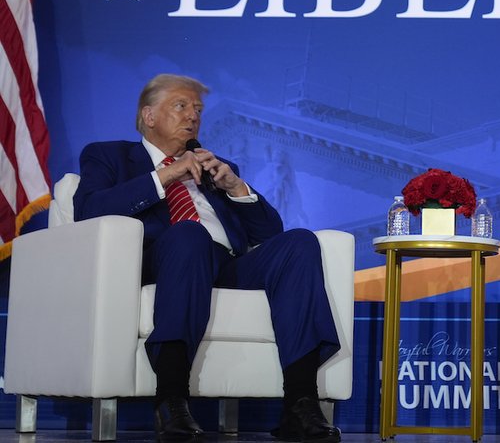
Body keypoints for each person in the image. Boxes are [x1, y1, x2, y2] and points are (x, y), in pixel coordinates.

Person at [73, 74, 342, 443]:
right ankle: (171, 401)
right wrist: (165, 175)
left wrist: (237, 188)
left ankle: (300, 404)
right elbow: (88, 210)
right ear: (149, 116)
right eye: (181, 106)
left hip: (225, 264)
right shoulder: (109, 155)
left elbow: (268, 235)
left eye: (198, 110)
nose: (193, 117)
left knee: (299, 243)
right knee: (189, 236)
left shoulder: (215, 167)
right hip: (164, 260)